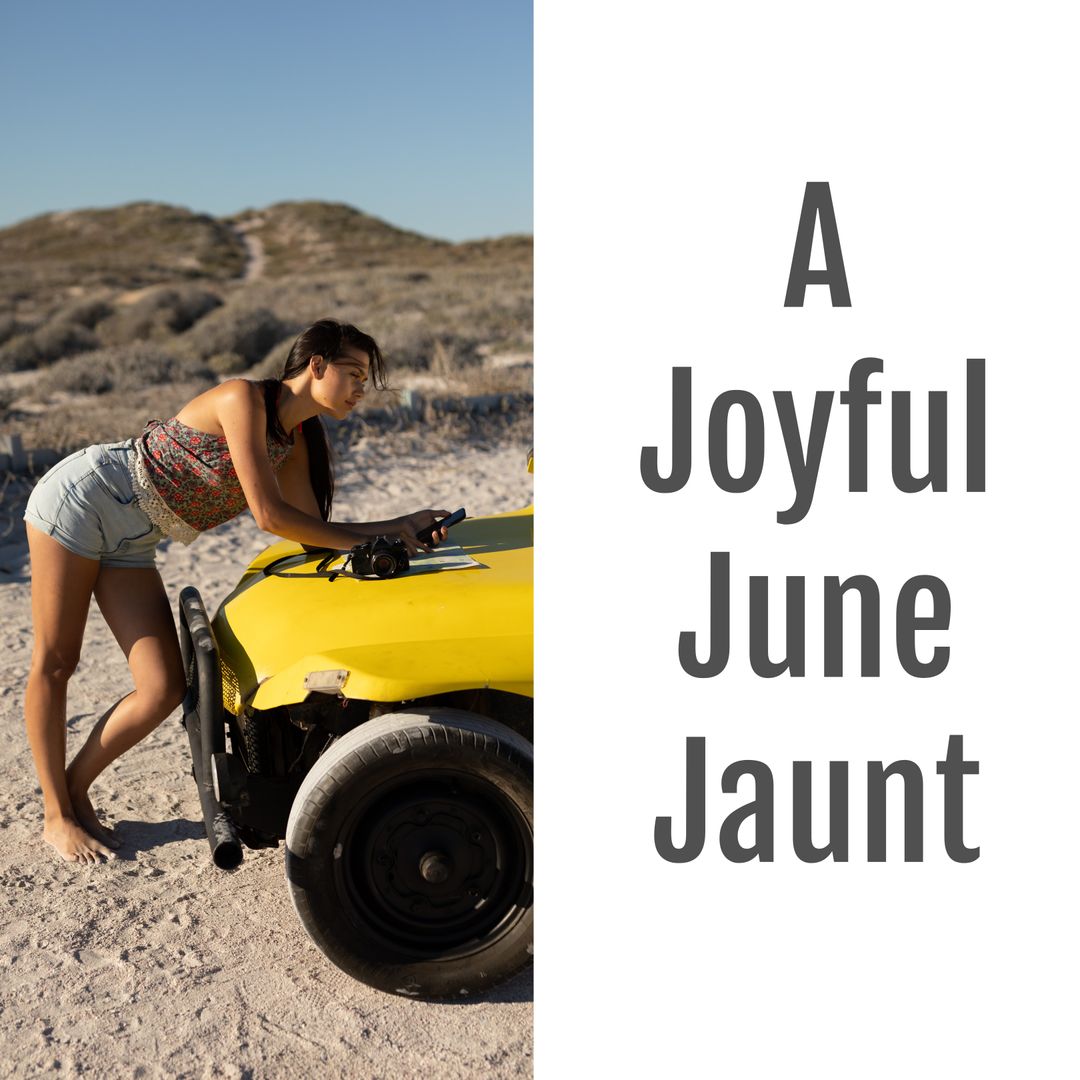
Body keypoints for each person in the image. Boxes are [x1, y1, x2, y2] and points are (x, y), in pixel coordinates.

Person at [22, 318, 449, 866]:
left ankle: (74, 787)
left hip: (136, 539)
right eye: (353, 372)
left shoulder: (293, 442)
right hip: (86, 499)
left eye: (366, 378)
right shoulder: (243, 399)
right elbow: (269, 516)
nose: (362, 388)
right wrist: (384, 530)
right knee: (57, 661)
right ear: (315, 365)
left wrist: (399, 529)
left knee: (162, 687)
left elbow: (306, 533)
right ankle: (55, 815)